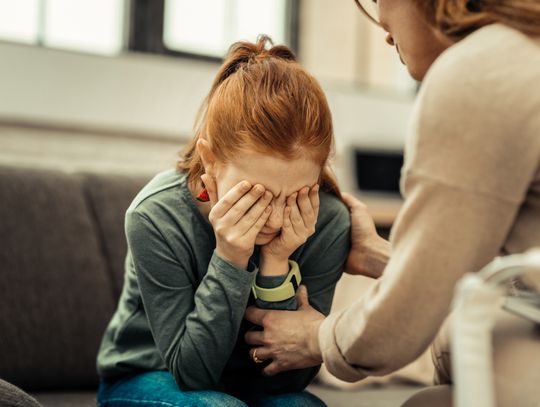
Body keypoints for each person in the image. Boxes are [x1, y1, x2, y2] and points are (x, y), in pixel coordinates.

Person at [244, 1, 540, 405]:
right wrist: (386, 257)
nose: (382, 27)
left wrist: (315, 336)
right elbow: (500, 263)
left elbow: (397, 332)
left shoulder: (481, 71)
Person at [95, 36, 351, 407]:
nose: (276, 218)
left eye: (296, 194)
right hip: (149, 374)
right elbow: (192, 374)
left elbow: (287, 381)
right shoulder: (155, 216)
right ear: (210, 159)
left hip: (253, 386)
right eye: (255, 195)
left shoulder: (327, 222)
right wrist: (231, 257)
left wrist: (276, 268)